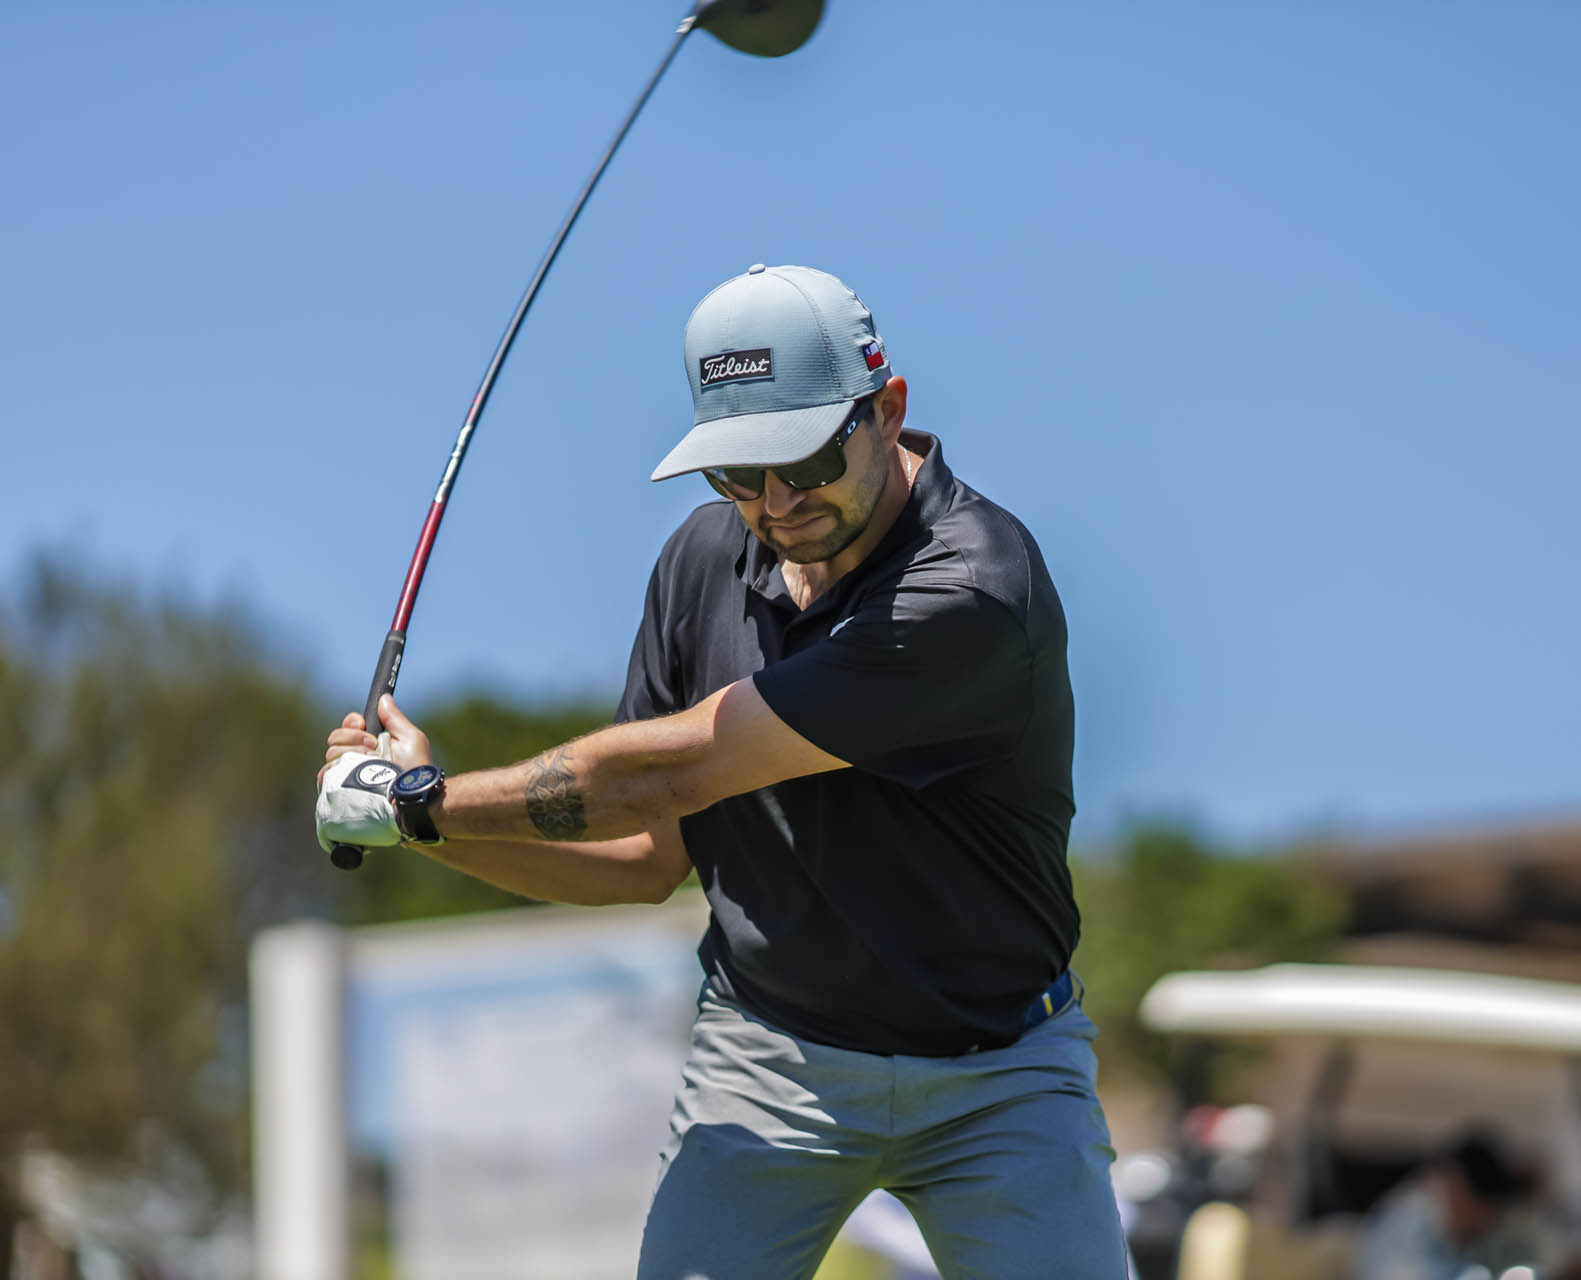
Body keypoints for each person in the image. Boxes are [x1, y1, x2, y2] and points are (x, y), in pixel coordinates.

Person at [315, 264, 1129, 1279]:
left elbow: (675, 772)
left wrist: (415, 802)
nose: (777, 501)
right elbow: (643, 855)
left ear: (887, 410)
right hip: (770, 1060)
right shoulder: (701, 561)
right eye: (738, 472)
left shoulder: (969, 589)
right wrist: (424, 826)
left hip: (1000, 1073)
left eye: (806, 458)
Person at [1354, 1129, 1557, 1280]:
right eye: (1482, 1213)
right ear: (1457, 1188)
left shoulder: (1447, 1225)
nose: (1483, 1227)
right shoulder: (1408, 1223)